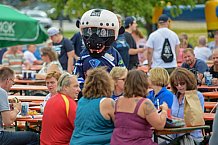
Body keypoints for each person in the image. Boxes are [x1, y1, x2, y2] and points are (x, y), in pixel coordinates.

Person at [110, 69, 168, 145]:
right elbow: (159, 125)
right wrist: (164, 110)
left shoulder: (118, 101)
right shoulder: (145, 103)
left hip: (117, 142)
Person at [73, 9, 125, 84]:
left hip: (107, 91)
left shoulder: (114, 54)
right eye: (90, 31)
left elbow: (122, 74)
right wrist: (82, 89)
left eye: (102, 33)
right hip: (87, 92)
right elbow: (77, 76)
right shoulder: (84, 54)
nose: (94, 40)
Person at [70, 67, 115, 145]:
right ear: (107, 84)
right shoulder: (107, 103)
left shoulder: (81, 101)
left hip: (77, 141)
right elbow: (121, 126)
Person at [0, 67, 39, 145]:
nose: (12, 85)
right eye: (13, 82)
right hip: (1, 137)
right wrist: (17, 109)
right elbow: (8, 122)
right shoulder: (2, 92)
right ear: (8, 80)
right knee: (34, 137)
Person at [40, 72, 80, 145]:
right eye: (75, 86)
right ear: (65, 87)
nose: (79, 90)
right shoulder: (68, 102)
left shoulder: (50, 100)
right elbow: (80, 128)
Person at [170, 67, 204, 142]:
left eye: (182, 83)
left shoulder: (197, 95)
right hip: (173, 137)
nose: (179, 86)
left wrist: (177, 122)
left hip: (191, 138)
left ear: (188, 82)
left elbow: (196, 120)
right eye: (176, 84)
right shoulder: (174, 95)